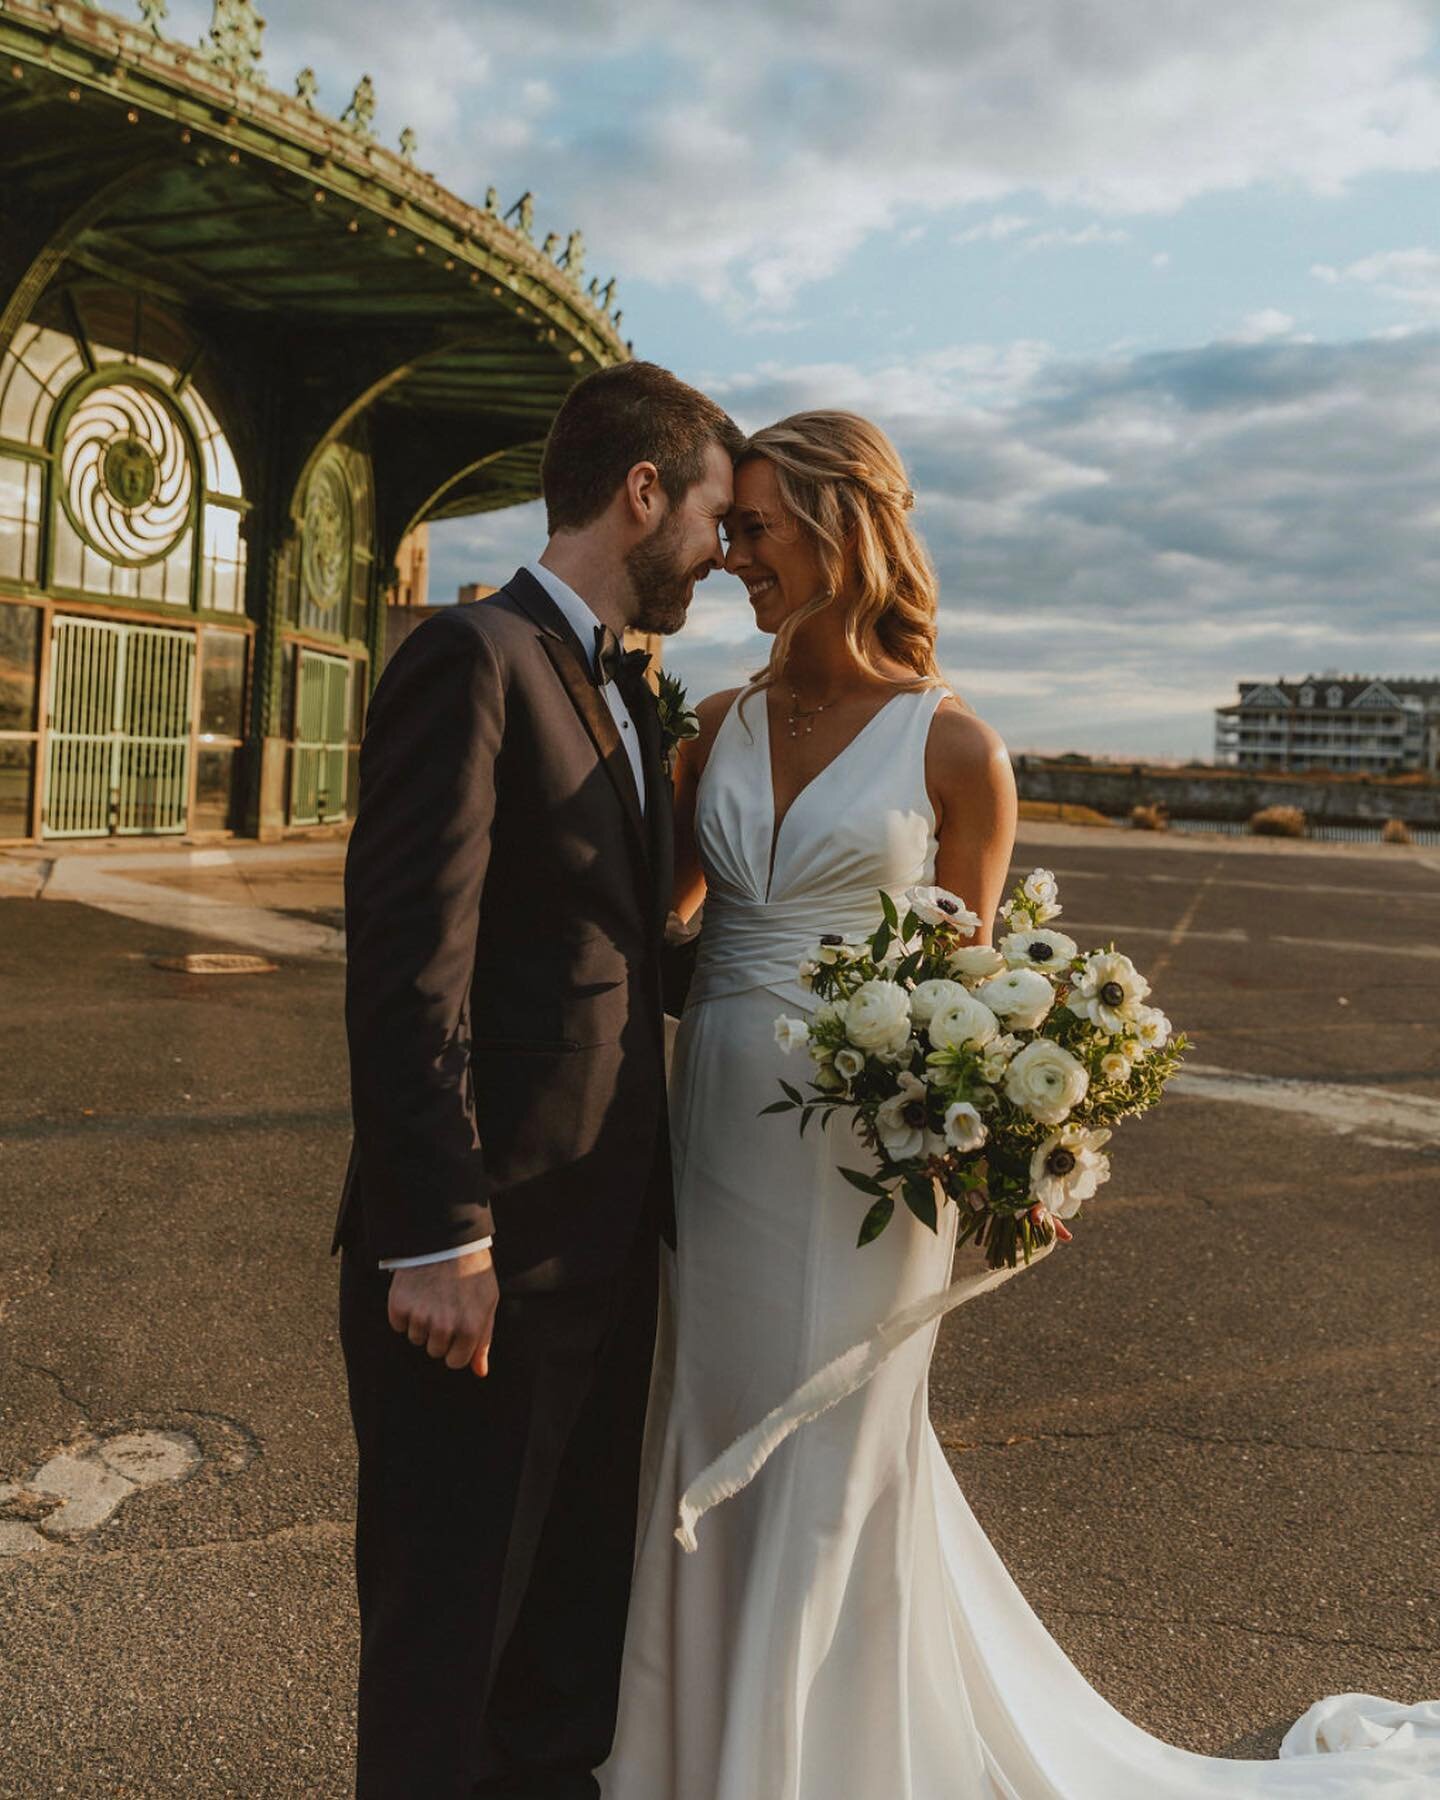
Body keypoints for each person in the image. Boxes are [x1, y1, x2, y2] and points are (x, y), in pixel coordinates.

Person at [600, 409, 1440, 1798]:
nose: (731, 552)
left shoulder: (955, 750)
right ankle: (708, 1751)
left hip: (863, 1168)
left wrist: (1021, 1162)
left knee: (833, 1455)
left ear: (837, 528)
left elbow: (965, 1009)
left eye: (755, 527)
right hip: (718, 1143)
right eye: (731, 527)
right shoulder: (716, 727)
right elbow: (661, 923)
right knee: (709, 1415)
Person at [334, 360, 743, 1799]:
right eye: (713, 515)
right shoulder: (475, 658)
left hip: (603, 1257)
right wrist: (439, 1235)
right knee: (453, 1656)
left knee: (565, 1658)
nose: (724, 553)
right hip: (481, 1269)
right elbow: (404, 969)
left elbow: (627, 956)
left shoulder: (626, 692)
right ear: (643, 494)